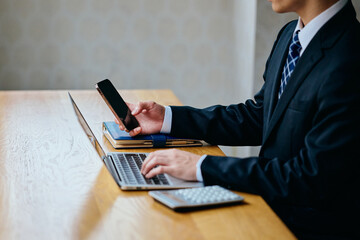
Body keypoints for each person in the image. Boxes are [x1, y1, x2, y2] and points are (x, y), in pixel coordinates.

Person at [116, 0, 360, 238]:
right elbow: (259, 116)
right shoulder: (289, 35)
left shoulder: (350, 56)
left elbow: (311, 177)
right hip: (268, 205)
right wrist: (168, 119)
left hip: (303, 227)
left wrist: (201, 166)